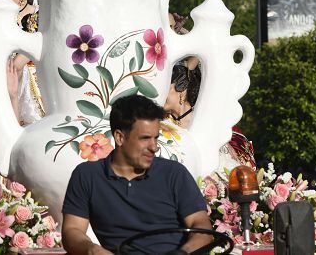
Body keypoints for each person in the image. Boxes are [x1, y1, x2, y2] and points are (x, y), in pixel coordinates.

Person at [61, 95, 213, 254]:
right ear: (119, 137)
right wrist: (92, 250)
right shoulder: (87, 175)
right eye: (145, 138)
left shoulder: (174, 173)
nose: (153, 147)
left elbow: (202, 227)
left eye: (155, 138)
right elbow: (72, 230)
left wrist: (182, 253)